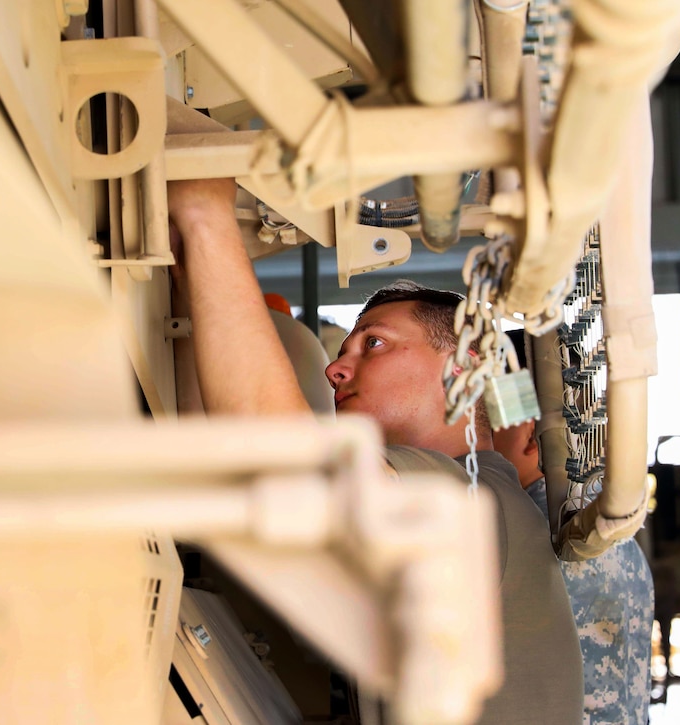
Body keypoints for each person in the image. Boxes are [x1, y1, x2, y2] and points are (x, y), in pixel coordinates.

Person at [168, 176, 582, 724]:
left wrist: (204, 214)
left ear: (460, 369)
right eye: (346, 351)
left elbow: (280, 464)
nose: (335, 369)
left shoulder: (468, 498)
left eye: (375, 345)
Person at [492, 331, 655, 725]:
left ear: (532, 434)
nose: (471, 428)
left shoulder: (533, 532)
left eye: (483, 413)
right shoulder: (601, 528)